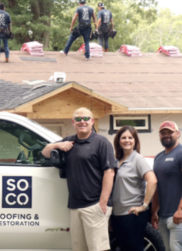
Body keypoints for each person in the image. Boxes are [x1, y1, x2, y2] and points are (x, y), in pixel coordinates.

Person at [41, 107, 116, 251]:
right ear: (73, 122)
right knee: (79, 248)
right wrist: (58, 145)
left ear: (92, 121)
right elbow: (45, 152)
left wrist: (103, 203)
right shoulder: (68, 142)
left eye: (86, 118)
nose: (82, 122)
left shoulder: (101, 142)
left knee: (98, 248)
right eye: (78, 119)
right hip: (75, 206)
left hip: (94, 205)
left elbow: (109, 173)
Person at [111, 126, 157, 251]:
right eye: (123, 137)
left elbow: (152, 181)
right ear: (118, 141)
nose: (127, 140)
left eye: (130, 138)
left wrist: (144, 205)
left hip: (132, 215)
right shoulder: (117, 161)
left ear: (135, 141)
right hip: (117, 215)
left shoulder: (138, 159)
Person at [151, 121, 182, 251]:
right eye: (163, 133)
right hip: (163, 217)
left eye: (170, 132)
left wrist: (180, 210)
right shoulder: (158, 158)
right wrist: (154, 212)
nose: (166, 135)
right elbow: (157, 188)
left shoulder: (180, 153)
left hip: (178, 216)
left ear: (178, 134)